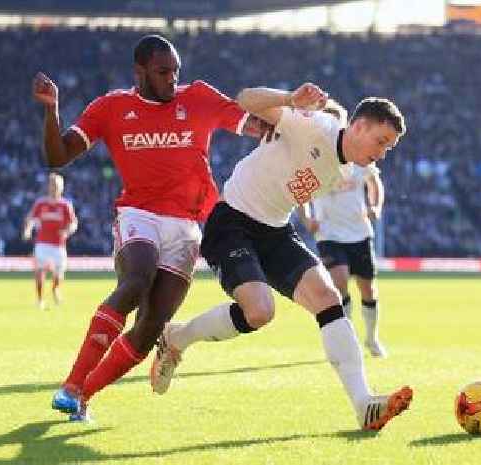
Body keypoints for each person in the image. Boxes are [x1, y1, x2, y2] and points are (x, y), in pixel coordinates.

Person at [150, 83, 412, 431]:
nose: (382, 153)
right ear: (359, 126)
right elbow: (243, 99)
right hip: (232, 220)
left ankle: (363, 403)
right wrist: (290, 101)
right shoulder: (313, 126)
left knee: (327, 297)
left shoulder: (344, 169)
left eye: (389, 148)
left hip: (275, 230)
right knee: (259, 312)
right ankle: (176, 338)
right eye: (381, 142)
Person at [33, 34, 262, 421]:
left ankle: (82, 396)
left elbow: (255, 125)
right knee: (136, 281)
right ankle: (71, 383)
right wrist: (52, 110)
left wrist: (293, 113)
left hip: (189, 225)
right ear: (139, 72)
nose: (172, 79)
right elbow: (58, 156)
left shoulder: (200, 97)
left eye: (175, 71)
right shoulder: (111, 108)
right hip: (139, 214)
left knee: (151, 325)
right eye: (162, 72)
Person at [297, 102, 387, 357]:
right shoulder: (314, 156)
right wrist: (306, 217)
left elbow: (375, 183)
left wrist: (375, 205)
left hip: (359, 232)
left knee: (367, 288)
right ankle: (348, 343)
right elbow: (301, 190)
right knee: (338, 282)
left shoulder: (360, 158)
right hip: (329, 233)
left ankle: (371, 338)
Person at [23, 172, 78, 310]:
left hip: (59, 245)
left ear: (62, 187)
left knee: (59, 273)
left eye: (57, 185)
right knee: (40, 271)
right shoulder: (41, 203)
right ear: (48, 187)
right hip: (42, 243)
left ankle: (55, 289)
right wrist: (28, 230)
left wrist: (68, 231)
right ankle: (40, 300)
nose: (54, 188)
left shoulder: (66, 205)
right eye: (52, 185)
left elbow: (73, 223)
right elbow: (30, 218)